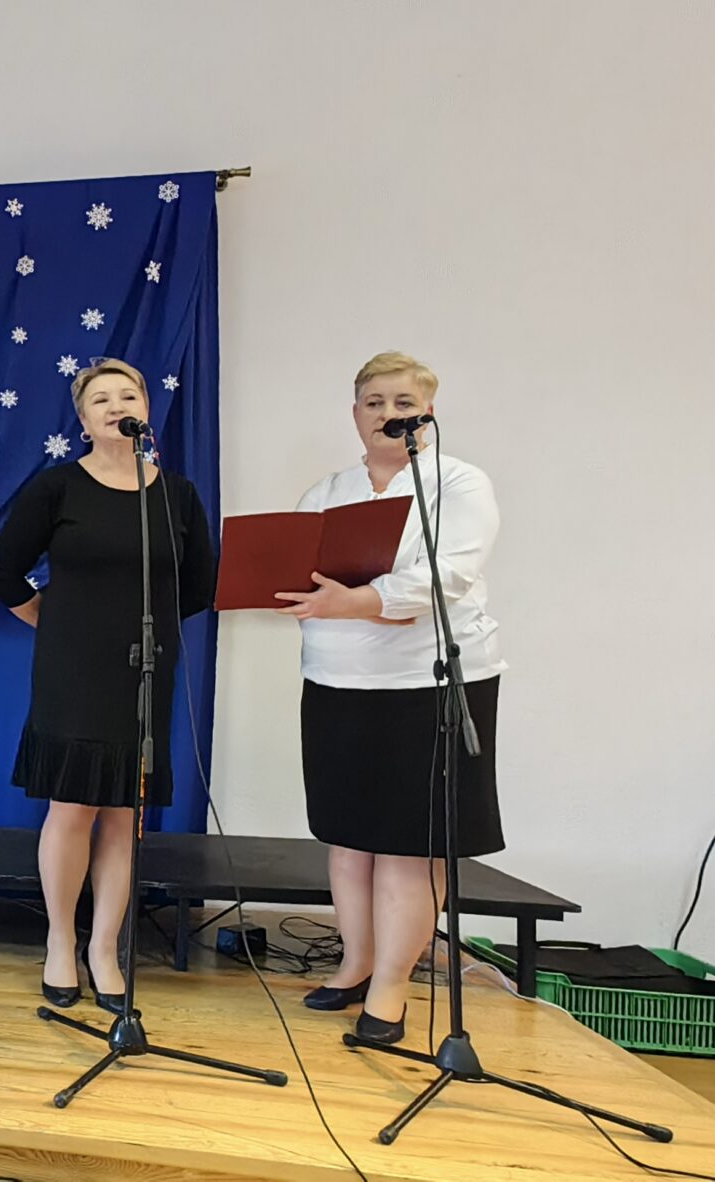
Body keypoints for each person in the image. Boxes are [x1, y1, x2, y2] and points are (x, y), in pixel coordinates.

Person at [274, 351, 505, 1047]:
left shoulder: (458, 483)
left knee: (410, 846)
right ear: (355, 415)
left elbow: (447, 577)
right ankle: (356, 963)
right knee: (348, 839)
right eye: (374, 403)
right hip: (338, 681)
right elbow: (297, 574)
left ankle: (392, 989)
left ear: (427, 413)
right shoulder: (327, 493)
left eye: (403, 402)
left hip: (424, 685)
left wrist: (360, 601)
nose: (388, 414)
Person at [0, 358, 216, 1014]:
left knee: (123, 814)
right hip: (73, 672)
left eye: (128, 395)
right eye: (102, 399)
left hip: (144, 672)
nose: (117, 406)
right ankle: (60, 941)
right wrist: (56, 622)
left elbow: (198, 586)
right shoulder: (57, 488)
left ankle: (105, 948)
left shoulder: (177, 495)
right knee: (73, 808)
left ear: (146, 409)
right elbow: (2, 572)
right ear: (83, 421)